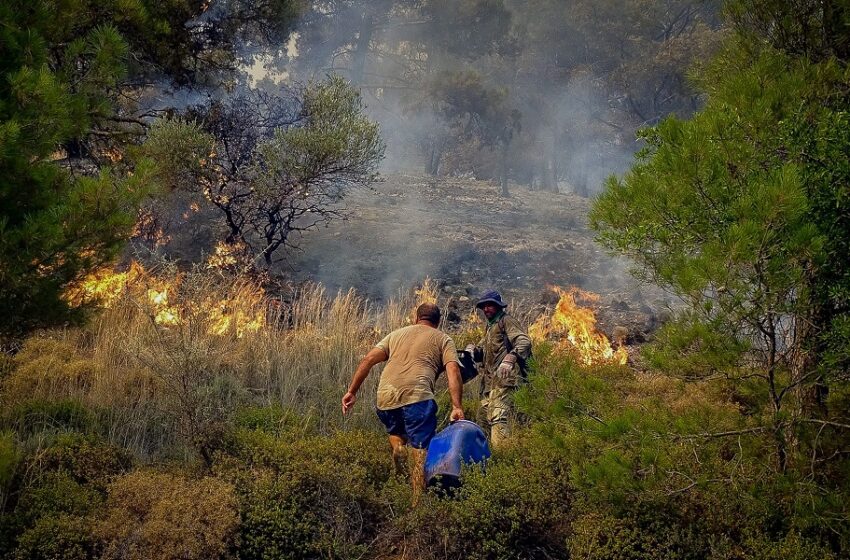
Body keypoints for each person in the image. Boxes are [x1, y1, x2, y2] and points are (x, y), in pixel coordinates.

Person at [342, 302, 464, 501]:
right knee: (420, 453)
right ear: (438, 321)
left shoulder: (395, 334)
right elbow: (453, 371)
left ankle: (399, 450)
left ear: (417, 318)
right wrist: (457, 406)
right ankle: (417, 503)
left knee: (397, 436)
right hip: (417, 397)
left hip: (386, 396)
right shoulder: (443, 339)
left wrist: (351, 392)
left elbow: (368, 360)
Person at [468, 290, 531, 449]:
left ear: (498, 306)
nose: (486, 309)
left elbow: (524, 342)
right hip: (490, 385)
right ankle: (484, 461)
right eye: (484, 306)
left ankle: (503, 457)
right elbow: (483, 352)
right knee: (481, 421)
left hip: (504, 381)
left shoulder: (506, 321)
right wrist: (473, 351)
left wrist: (510, 358)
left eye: (490, 305)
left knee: (497, 418)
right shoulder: (490, 327)